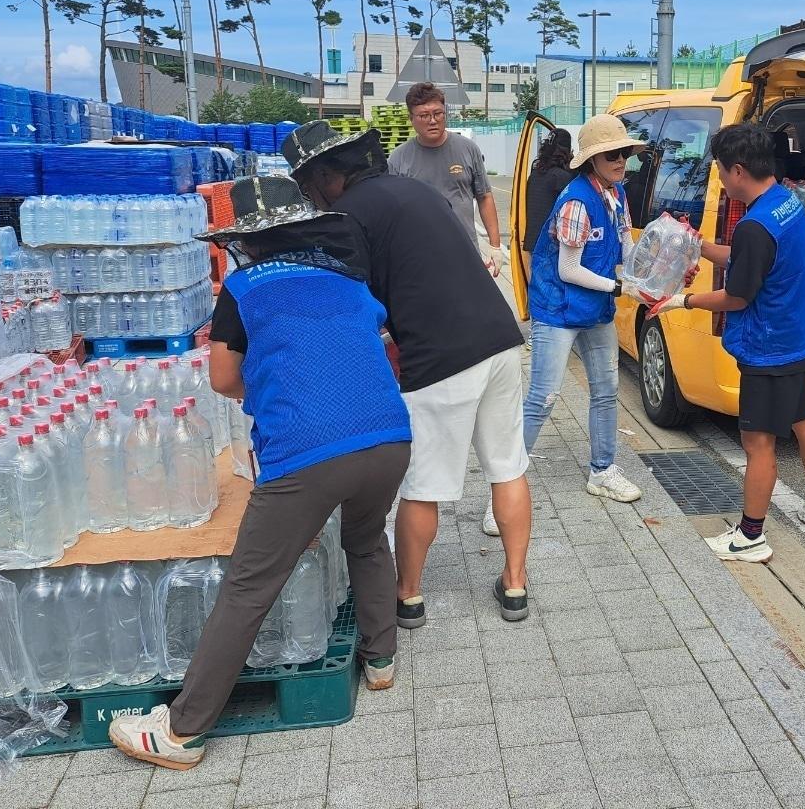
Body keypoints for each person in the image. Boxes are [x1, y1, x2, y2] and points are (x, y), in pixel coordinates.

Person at [108, 176, 411, 770]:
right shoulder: (347, 279)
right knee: (367, 538)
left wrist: (275, 395)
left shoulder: (243, 290)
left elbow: (223, 380)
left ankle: (184, 730)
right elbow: (363, 347)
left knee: (249, 585)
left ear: (247, 241)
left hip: (308, 451)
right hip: (388, 438)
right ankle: (381, 660)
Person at [283, 120, 533, 628]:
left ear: (330, 175)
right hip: (501, 341)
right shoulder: (414, 190)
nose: (312, 198)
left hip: (440, 359)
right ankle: (515, 584)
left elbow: (355, 305)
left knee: (424, 484)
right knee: (507, 466)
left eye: (310, 186)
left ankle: (409, 594)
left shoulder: (348, 215)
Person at [653, 123, 805, 563]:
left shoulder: (755, 225)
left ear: (738, 170)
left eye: (719, 170)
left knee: (758, 444)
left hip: (769, 349)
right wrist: (697, 246)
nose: (719, 177)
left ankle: (750, 536)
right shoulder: (786, 203)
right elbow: (749, 258)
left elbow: (737, 295)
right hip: (803, 338)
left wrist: (683, 300)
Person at [524, 114, 647, 504]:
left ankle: (603, 470)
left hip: (595, 310)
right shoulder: (576, 201)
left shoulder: (618, 194)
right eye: (610, 154)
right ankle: (506, 485)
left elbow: (627, 247)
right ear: (591, 159)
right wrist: (619, 286)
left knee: (607, 390)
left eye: (623, 153)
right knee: (542, 399)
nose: (619, 160)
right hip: (557, 311)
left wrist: (650, 274)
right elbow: (568, 269)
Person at [388, 81, 504, 274]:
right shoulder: (399, 159)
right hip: (419, 257)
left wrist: (495, 246)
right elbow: (391, 213)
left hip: (465, 253)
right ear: (411, 118)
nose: (432, 121)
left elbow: (484, 196)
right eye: (424, 115)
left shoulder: (468, 149)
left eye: (438, 113)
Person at [522, 128, 576, 272]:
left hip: (533, 244)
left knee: (537, 290)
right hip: (551, 248)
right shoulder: (563, 178)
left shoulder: (534, 175)